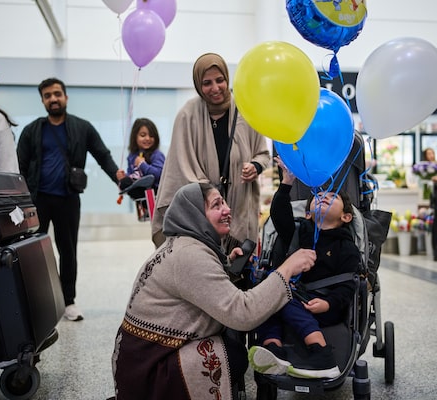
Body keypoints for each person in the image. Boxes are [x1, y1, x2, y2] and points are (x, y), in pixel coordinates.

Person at [112, 182, 316, 400]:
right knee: (233, 356)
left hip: (137, 360)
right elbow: (243, 313)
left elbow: (199, 287)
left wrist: (226, 267)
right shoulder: (191, 255)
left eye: (224, 202)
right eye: (216, 205)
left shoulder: (184, 244)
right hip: (153, 369)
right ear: (196, 215)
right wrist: (287, 269)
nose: (227, 209)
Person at [17, 77, 120, 322]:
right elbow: (19, 166)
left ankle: (68, 301)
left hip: (68, 199)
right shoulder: (32, 130)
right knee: (33, 252)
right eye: (47, 96)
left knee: (68, 251)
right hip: (37, 200)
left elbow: (103, 156)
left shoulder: (82, 128)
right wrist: (18, 201)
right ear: (42, 101)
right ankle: (37, 301)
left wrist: (120, 178)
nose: (53, 99)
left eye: (57, 94)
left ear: (65, 97)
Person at [248, 157, 361, 379]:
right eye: (318, 195)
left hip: (326, 305)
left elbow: (348, 285)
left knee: (281, 296)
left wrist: (328, 303)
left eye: (332, 196)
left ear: (346, 216)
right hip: (294, 295)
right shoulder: (299, 233)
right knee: (269, 292)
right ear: (308, 213)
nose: (323, 196)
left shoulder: (346, 247)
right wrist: (287, 182)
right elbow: (279, 214)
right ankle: (273, 348)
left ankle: (321, 352)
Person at [150, 53, 270, 252]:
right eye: (207, 83)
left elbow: (263, 154)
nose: (215, 88)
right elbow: (178, 168)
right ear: (198, 85)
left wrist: (256, 166)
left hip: (239, 210)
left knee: (238, 264)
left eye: (220, 80)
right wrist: (209, 195)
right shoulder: (187, 116)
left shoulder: (245, 111)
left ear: (227, 79)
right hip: (201, 217)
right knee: (205, 264)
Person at [115, 117, 165, 199]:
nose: (147, 138)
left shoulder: (157, 155)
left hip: (154, 192)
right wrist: (124, 176)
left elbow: (159, 175)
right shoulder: (132, 156)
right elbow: (133, 175)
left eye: (151, 135)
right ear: (135, 137)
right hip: (139, 193)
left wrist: (142, 164)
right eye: (143, 135)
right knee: (125, 182)